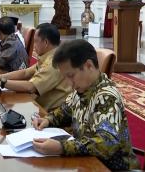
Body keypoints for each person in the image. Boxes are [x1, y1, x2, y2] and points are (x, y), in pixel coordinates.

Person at [32, 39, 139, 170]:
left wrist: (62, 147)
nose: (69, 82)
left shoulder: (106, 96)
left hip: (111, 167)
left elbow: (106, 143)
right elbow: (64, 112)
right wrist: (48, 120)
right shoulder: (81, 89)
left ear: (89, 65)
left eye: (71, 75)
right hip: (87, 162)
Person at [0, 23, 71, 111]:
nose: (34, 46)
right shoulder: (49, 55)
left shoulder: (53, 62)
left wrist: (2, 82)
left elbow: (31, 87)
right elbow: (26, 72)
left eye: (36, 41)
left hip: (49, 114)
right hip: (38, 105)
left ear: (45, 43)